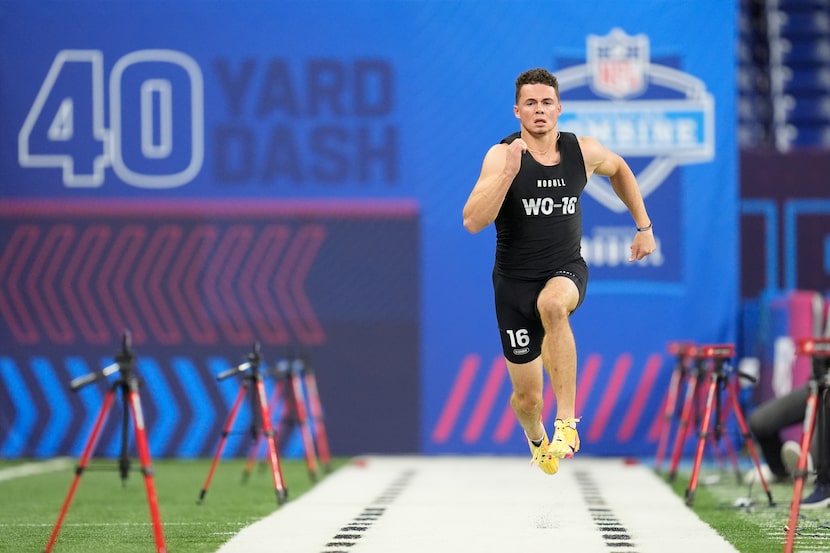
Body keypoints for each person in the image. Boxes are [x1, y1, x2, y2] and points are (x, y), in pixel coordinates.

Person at [462, 68, 657, 475]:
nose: (539, 110)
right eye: (530, 103)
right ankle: (537, 439)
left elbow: (619, 169)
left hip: (565, 269)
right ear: (517, 111)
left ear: (559, 109)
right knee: (528, 399)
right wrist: (508, 175)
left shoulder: (581, 151)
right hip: (513, 285)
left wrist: (643, 227)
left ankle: (566, 422)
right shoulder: (502, 156)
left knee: (553, 305)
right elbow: (472, 221)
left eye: (546, 102)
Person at [747, 383, 830, 508]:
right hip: (816, 385)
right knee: (759, 421)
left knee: (827, 399)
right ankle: (783, 472)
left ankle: (819, 476)